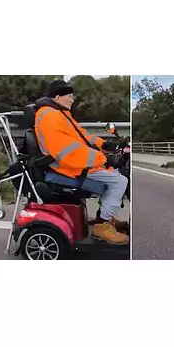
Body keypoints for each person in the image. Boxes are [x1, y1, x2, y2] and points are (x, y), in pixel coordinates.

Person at [34, 80, 129, 244]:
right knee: (120, 181)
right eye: (70, 96)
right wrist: (105, 158)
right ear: (58, 97)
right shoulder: (50, 117)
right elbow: (67, 152)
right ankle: (101, 225)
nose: (73, 99)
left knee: (113, 173)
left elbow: (82, 136)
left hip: (71, 165)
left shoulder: (59, 113)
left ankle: (105, 218)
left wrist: (104, 144)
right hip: (67, 168)